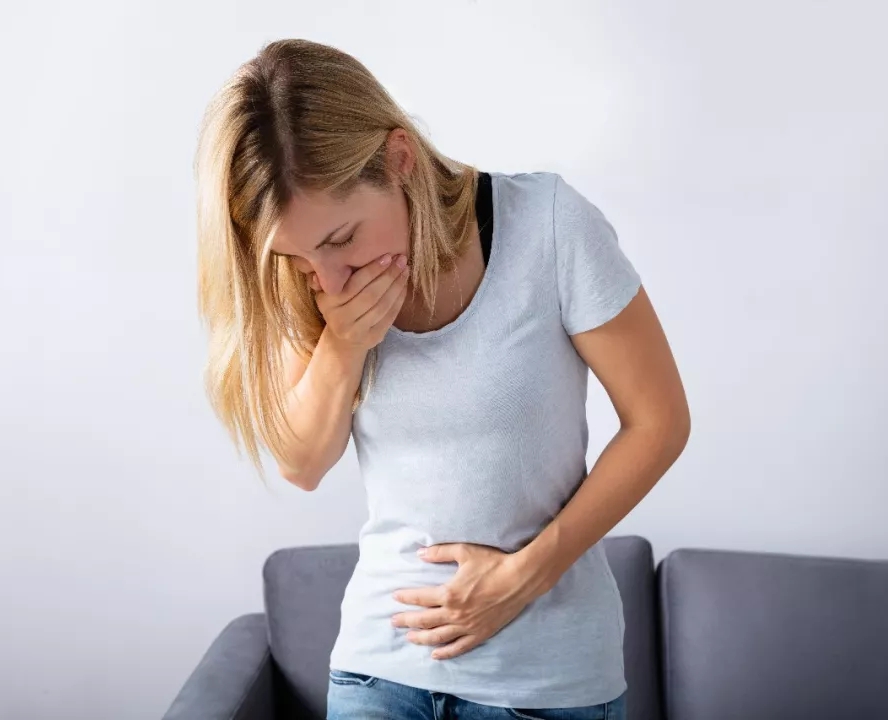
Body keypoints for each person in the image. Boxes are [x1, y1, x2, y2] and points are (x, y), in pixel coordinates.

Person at [194, 38, 690, 720]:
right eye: (299, 259)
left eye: (341, 239)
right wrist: (343, 343)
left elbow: (659, 421)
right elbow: (301, 464)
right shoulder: (313, 286)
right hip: (380, 669)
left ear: (399, 158)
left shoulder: (549, 225)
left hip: (545, 682)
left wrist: (524, 577)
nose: (328, 279)